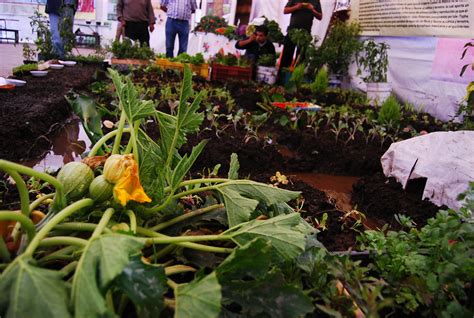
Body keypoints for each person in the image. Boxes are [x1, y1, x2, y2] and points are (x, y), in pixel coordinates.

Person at [280, 0, 323, 69]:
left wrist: (312, 9)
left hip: (305, 33)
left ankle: (296, 75)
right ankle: (282, 75)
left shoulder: (315, 1)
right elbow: (285, 10)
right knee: (287, 55)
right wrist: (296, 7)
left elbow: (320, 17)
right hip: (292, 31)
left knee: (301, 57)